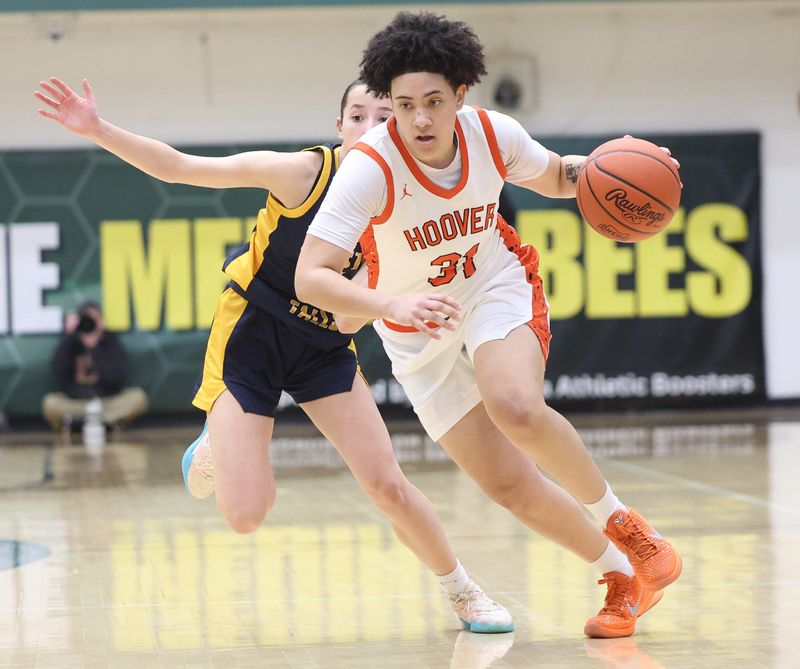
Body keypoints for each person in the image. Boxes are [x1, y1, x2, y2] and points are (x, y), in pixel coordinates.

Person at [35, 76, 514, 634]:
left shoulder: (407, 210)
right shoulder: (304, 175)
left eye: (384, 117)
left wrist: (391, 302)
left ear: (405, 128)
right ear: (339, 127)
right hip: (253, 334)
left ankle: (463, 592)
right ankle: (220, 433)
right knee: (245, 515)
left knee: (387, 484)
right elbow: (182, 168)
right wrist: (95, 127)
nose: (369, 128)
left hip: (324, 345)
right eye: (357, 116)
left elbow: (347, 319)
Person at [296, 11, 682, 639]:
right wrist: (390, 305)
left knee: (515, 404)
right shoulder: (370, 166)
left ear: (460, 95)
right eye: (403, 105)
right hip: (413, 329)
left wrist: (631, 163)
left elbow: (560, 176)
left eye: (433, 101)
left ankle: (628, 526)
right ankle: (621, 578)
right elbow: (310, 276)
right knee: (508, 485)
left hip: (491, 286)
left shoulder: (491, 134)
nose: (418, 119)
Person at [42, 300, 148, 433]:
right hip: (77, 404)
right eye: (86, 320)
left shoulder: (110, 341)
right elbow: (59, 372)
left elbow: (115, 378)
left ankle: (83, 423)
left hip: (106, 402)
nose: (90, 325)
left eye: (94, 320)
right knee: (50, 403)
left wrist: (96, 347)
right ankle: (103, 422)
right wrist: (69, 337)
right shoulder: (70, 343)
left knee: (138, 397)